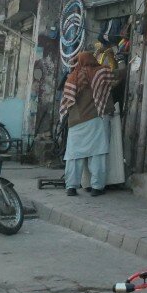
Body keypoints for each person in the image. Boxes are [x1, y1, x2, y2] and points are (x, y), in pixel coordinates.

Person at [59, 51, 115, 197]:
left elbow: (66, 100)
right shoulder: (100, 73)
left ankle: (71, 187)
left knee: (73, 156)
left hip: (75, 122)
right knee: (97, 154)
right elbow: (115, 75)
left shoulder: (73, 77)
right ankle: (97, 187)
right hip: (96, 120)